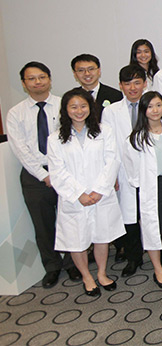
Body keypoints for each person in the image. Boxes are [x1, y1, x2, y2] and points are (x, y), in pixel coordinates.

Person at [6, 61, 79, 288]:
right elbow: (20, 149)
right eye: (31, 78)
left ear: (49, 79)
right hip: (34, 176)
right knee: (43, 224)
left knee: (70, 220)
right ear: (23, 83)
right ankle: (52, 266)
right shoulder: (15, 113)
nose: (37, 82)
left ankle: (72, 263)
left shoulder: (63, 105)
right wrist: (43, 175)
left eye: (41, 77)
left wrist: (58, 174)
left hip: (66, 172)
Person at [48, 88, 125, 296]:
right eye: (73, 107)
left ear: (91, 108)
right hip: (74, 199)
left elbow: (112, 161)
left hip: (100, 195)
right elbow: (57, 171)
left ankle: (101, 273)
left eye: (83, 106)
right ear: (65, 110)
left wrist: (99, 190)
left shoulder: (104, 131)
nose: (79, 111)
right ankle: (86, 276)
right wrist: (79, 194)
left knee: (102, 236)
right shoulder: (55, 138)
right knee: (76, 239)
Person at [123, 91, 162, 289]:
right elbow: (131, 168)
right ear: (143, 110)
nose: (155, 110)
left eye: (158, 105)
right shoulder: (136, 137)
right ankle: (157, 268)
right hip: (150, 188)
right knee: (152, 230)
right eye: (150, 106)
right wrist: (142, 184)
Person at [100, 65, 147, 277]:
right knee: (129, 217)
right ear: (120, 86)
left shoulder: (153, 105)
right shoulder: (110, 112)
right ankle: (133, 257)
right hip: (123, 173)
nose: (133, 87)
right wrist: (113, 175)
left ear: (144, 84)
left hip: (149, 170)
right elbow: (108, 146)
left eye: (137, 82)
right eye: (127, 83)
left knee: (151, 215)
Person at [70, 54, 123, 120]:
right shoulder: (71, 97)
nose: (87, 73)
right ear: (75, 74)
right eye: (81, 70)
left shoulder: (115, 95)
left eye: (91, 69)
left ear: (99, 71)